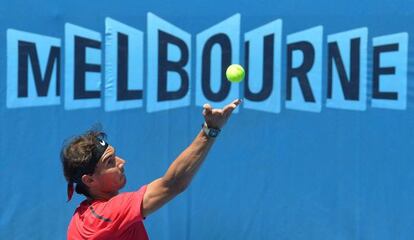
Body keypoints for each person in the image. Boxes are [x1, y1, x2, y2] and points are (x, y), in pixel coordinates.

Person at [61, 99, 242, 240]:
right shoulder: (104, 216)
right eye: (110, 162)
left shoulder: (82, 218)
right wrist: (209, 131)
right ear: (89, 180)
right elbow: (172, 185)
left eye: (115, 156)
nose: (121, 162)